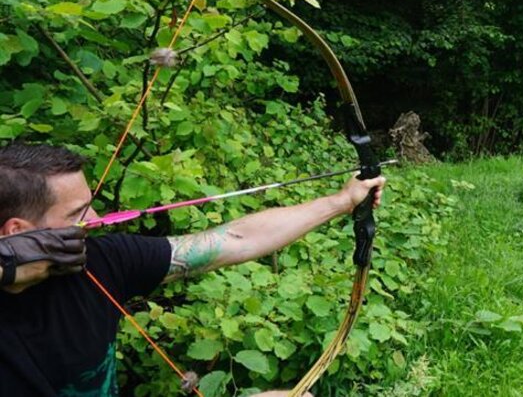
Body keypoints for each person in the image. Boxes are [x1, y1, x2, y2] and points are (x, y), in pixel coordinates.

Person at [0, 142, 384, 396]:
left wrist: (341, 201)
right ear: (17, 232)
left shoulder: (101, 259)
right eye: (78, 214)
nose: (97, 218)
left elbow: (236, 239)